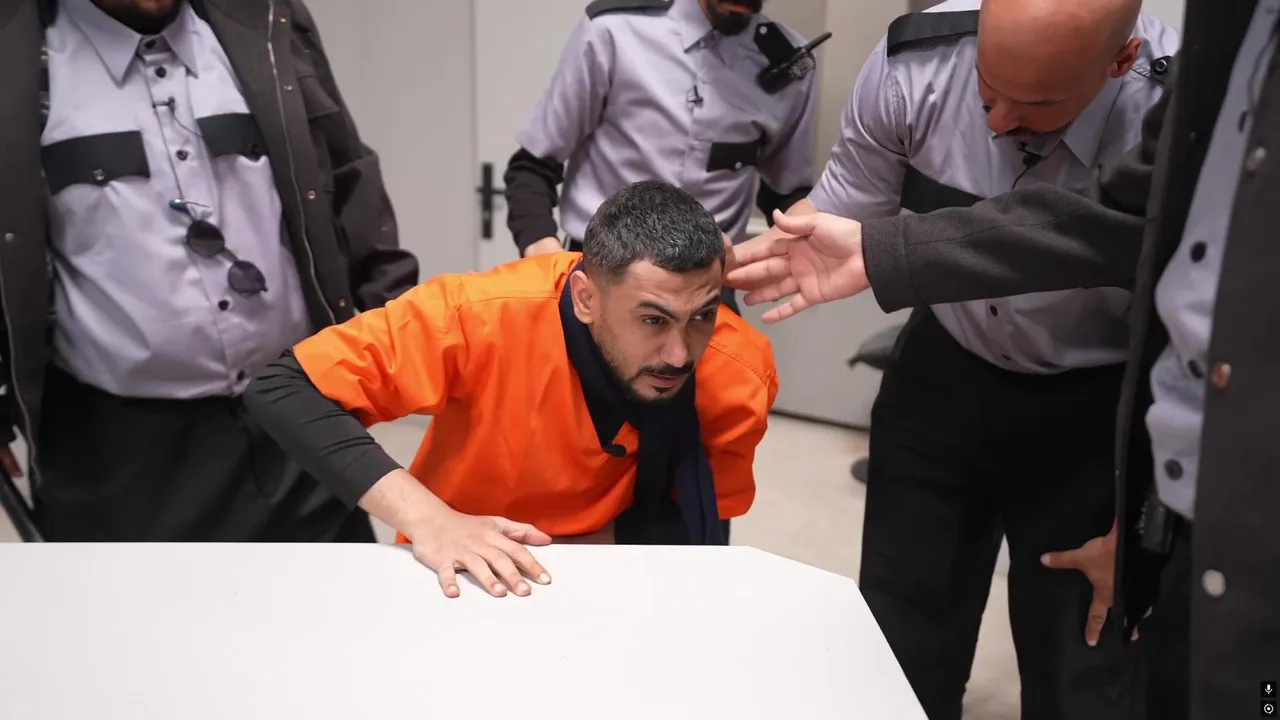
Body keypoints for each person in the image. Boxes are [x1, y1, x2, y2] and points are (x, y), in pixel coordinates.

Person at [727, 0, 1278, 714]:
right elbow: (840, 212)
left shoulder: (1175, 101)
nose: (996, 122)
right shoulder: (914, 66)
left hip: (1095, 400)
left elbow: (1186, 311)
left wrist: (1141, 521)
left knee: (1081, 667)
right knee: (897, 642)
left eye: (1036, 105)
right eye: (987, 89)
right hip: (946, 365)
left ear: (1120, 61)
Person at [0, 0, 417, 542]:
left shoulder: (265, 21)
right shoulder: (19, 50)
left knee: (335, 591)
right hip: (118, 451)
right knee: (134, 600)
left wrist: (403, 321)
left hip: (298, 415)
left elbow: (345, 170)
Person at [245, 180, 778, 598]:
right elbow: (286, 386)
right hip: (458, 568)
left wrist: (563, 558)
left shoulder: (739, 371)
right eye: (653, 320)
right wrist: (430, 519)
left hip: (618, 568)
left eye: (702, 315)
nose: (680, 355)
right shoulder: (479, 317)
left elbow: (698, 528)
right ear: (585, 298)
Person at [503, 0, 823, 312]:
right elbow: (531, 167)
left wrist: (806, 247)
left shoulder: (788, 63)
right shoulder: (614, 30)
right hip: (599, 280)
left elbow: (787, 195)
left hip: (706, 293)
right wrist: (544, 252)